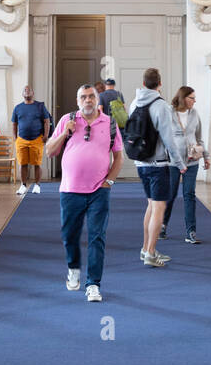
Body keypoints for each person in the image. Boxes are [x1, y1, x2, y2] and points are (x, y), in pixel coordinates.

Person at [45, 83, 124, 302]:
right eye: (83, 97)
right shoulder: (67, 120)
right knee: (69, 235)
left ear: (97, 100)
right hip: (70, 189)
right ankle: (73, 268)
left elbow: (118, 157)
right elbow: (49, 152)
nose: (88, 100)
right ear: (78, 101)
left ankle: (93, 284)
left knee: (97, 237)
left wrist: (109, 181)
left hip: (99, 190)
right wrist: (64, 134)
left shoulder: (109, 124)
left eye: (91, 97)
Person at [128, 68, 186, 266]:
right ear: (159, 84)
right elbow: (169, 139)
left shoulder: (134, 102)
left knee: (151, 205)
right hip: (158, 164)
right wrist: (180, 163)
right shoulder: (161, 105)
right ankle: (151, 253)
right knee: (160, 207)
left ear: (143, 84)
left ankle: (146, 249)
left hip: (140, 162)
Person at [161, 86, 210, 244]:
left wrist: (206, 157)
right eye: (192, 98)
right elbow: (163, 136)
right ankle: (162, 227)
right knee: (170, 195)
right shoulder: (169, 112)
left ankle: (191, 232)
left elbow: (199, 137)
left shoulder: (195, 114)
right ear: (183, 98)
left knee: (189, 195)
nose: (194, 101)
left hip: (192, 160)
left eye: (194, 98)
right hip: (173, 162)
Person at [11, 84, 50, 195]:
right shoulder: (18, 108)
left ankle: (37, 185)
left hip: (37, 139)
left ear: (33, 93)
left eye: (29, 90)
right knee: (23, 163)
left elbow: (46, 121)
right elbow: (14, 123)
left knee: (37, 163)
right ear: (22, 94)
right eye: (25, 90)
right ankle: (23, 185)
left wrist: (46, 135)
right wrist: (15, 138)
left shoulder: (40, 106)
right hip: (21, 140)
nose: (27, 91)